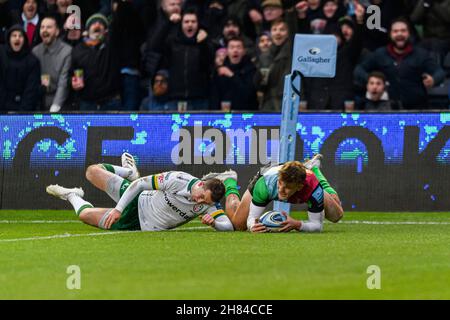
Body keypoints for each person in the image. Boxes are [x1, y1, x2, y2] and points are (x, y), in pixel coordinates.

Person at [46, 153, 234, 232]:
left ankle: (71, 195)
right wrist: (119, 209)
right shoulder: (176, 179)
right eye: (201, 196)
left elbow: (229, 226)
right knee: (92, 171)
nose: (198, 200)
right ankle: (128, 172)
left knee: (85, 215)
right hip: (137, 199)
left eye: (204, 201)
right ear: (200, 184)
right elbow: (139, 185)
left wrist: (215, 223)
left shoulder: (207, 205)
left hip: (140, 224)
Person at [203, 154, 344, 232]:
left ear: (299, 186)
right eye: (280, 183)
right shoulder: (265, 184)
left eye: (287, 187)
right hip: (267, 174)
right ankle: (229, 181)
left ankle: (314, 169)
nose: (281, 190)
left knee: (337, 215)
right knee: (238, 225)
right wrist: (253, 225)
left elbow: (317, 226)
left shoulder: (312, 188)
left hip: (309, 181)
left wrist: (297, 224)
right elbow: (251, 218)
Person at [354, 18, 446, 109]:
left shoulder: (421, 54)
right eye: (395, 31)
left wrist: (433, 80)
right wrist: (371, 80)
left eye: (403, 31)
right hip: (388, 109)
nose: (399, 34)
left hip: (417, 109)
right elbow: (359, 70)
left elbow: (440, 72)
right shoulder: (380, 54)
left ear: (409, 33)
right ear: (390, 34)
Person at [70, 13, 121, 110]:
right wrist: (73, 83)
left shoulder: (111, 45)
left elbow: (117, 23)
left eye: (101, 24)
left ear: (106, 31)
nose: (97, 25)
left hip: (111, 102)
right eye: (93, 24)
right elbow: (72, 72)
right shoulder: (78, 50)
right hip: (87, 103)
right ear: (87, 31)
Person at [32, 15, 72, 112]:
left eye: (49, 27)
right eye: (42, 27)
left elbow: (63, 82)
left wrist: (55, 107)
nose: (44, 30)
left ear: (57, 32)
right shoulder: (35, 51)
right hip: (39, 102)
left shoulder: (67, 51)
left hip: (60, 104)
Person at [0, 24, 41, 111]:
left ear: (24, 40)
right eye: (14, 35)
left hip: (23, 109)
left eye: (20, 36)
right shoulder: (1, 55)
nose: (17, 38)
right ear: (9, 39)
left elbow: (31, 91)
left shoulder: (32, 61)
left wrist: (21, 113)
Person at [210, 37, 258, 111]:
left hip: (246, 114)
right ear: (227, 51)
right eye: (232, 47)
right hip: (224, 114)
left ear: (244, 51)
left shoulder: (251, 69)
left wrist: (231, 75)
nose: (235, 50)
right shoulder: (220, 70)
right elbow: (214, 96)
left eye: (238, 47)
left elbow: (248, 93)